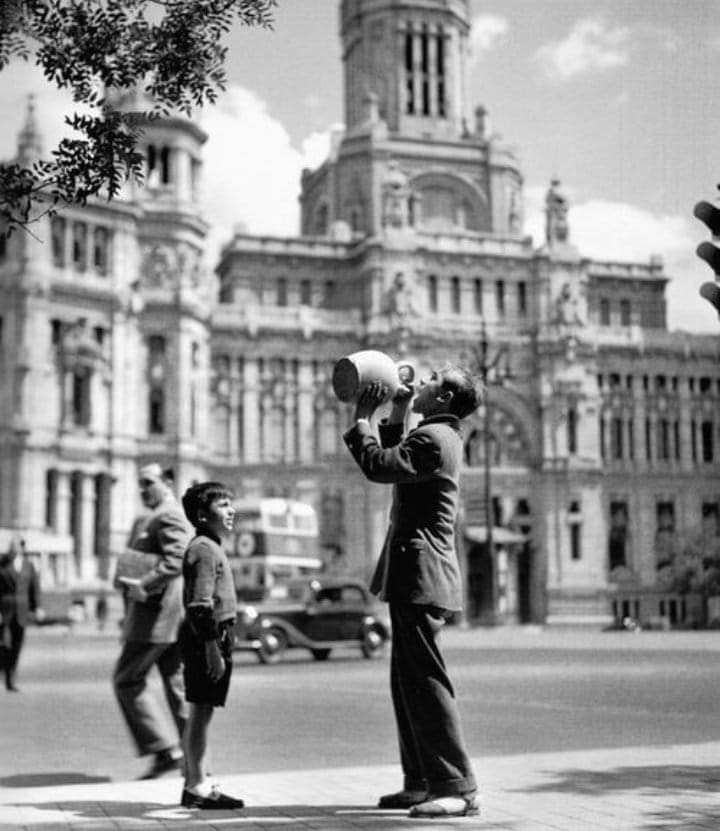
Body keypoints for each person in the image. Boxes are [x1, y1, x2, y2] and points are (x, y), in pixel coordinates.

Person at [343, 365, 481, 819]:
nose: (421, 381)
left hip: (422, 572)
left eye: (432, 380)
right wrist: (398, 409)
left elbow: (380, 466)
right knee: (408, 682)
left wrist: (362, 416)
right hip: (415, 571)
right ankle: (422, 779)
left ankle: (455, 786)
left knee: (425, 681)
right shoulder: (434, 437)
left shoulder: (435, 441)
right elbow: (397, 457)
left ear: (443, 400)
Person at [113, 463, 192, 780]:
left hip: (157, 617)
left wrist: (143, 584)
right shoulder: (151, 517)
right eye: (140, 484)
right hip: (164, 618)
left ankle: (165, 750)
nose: (143, 489)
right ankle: (195, 761)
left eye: (148, 483)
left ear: (168, 482)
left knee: (126, 679)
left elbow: (177, 560)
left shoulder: (169, 514)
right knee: (177, 688)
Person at [178, 481, 243, 810]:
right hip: (208, 638)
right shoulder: (204, 548)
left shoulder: (210, 545)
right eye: (223, 506)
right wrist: (211, 649)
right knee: (200, 714)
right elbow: (200, 605)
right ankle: (196, 786)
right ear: (203, 515)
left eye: (231, 504)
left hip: (214, 637)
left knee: (201, 714)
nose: (231, 511)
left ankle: (197, 778)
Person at [0, 536, 42, 692]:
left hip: (22, 611)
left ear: (22, 548)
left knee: (17, 645)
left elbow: (34, 588)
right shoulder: (3, 563)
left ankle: (11, 676)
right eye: (11, 545)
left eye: (15, 545)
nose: (12, 548)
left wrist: (38, 607)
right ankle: (6, 673)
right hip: (5, 610)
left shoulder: (28, 566)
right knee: (5, 643)